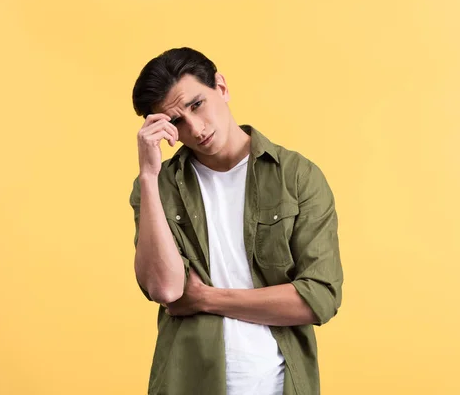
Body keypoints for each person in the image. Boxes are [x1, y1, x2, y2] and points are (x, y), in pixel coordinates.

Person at [129, 47, 343, 395]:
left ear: (222, 88)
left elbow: (319, 297)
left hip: (280, 383)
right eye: (177, 121)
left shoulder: (297, 177)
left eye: (197, 104)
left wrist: (205, 298)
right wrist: (149, 177)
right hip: (186, 382)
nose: (196, 129)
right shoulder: (158, 187)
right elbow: (166, 289)